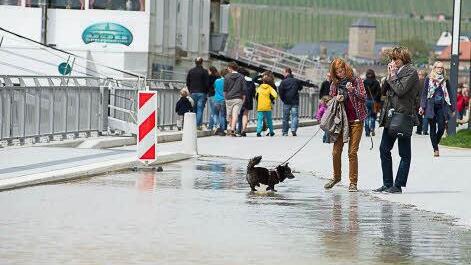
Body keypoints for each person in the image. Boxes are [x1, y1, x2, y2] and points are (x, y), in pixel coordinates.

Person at [374, 47, 420, 194]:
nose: (393, 62)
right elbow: (383, 91)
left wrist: (393, 74)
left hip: (403, 115)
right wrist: (389, 75)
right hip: (390, 115)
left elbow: (401, 90)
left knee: (404, 153)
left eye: (396, 59)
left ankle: (398, 185)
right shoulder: (395, 72)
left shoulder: (411, 71)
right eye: (392, 59)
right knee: (384, 149)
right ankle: (387, 183)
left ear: (404, 59)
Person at [324, 58, 367, 192]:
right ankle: (336, 177)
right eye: (337, 72)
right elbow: (328, 102)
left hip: (356, 121)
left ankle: (353, 183)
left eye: (341, 70)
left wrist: (352, 90)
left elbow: (363, 97)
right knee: (336, 151)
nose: (340, 73)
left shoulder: (356, 80)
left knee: (352, 152)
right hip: (341, 122)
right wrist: (335, 99)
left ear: (345, 68)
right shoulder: (334, 84)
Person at [419, 61, 456, 157]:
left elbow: (450, 94)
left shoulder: (445, 80)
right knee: (432, 127)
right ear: (434, 68)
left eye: (441, 68)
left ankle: (435, 142)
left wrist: (452, 108)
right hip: (431, 106)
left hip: (441, 106)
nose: (440, 69)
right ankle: (435, 149)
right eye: (438, 67)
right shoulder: (428, 79)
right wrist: (422, 106)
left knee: (441, 127)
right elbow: (424, 94)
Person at [279, 67, 315, 136]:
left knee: (285, 117)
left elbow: (280, 91)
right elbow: (300, 88)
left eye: (284, 72)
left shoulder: (283, 82)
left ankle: (285, 132)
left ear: (286, 72)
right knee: (294, 116)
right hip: (295, 101)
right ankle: (293, 129)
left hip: (286, 101)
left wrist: (283, 99)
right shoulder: (296, 81)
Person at [186, 57, 209, 130]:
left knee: (194, 109)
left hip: (193, 92)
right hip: (202, 92)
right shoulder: (204, 71)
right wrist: (206, 91)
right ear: (202, 62)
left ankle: (193, 125)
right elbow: (207, 83)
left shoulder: (191, 71)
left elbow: (188, 82)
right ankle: (198, 125)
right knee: (200, 109)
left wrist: (190, 90)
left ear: (195, 62)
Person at [224, 62, 246, 137]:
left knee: (229, 115)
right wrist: (244, 99)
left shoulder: (226, 77)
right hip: (238, 98)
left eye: (228, 68)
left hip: (229, 98)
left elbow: (225, 89)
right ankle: (233, 129)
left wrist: (225, 98)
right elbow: (244, 90)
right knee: (235, 114)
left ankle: (231, 128)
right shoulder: (241, 77)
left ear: (230, 68)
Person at [236, 68, 256, 137]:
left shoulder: (238, 79)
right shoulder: (250, 80)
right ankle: (243, 129)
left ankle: (238, 130)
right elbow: (253, 92)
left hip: (239, 98)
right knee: (245, 115)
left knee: (239, 115)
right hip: (248, 99)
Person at [363, 69, 381, 137]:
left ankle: (367, 132)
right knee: (373, 116)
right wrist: (377, 100)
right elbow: (379, 92)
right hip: (374, 101)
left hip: (366, 101)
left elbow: (362, 93)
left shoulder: (364, 82)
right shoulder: (376, 82)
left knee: (366, 117)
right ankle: (372, 128)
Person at [213, 69, 228, 136]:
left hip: (216, 99)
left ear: (221, 74)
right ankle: (222, 130)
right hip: (223, 100)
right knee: (222, 115)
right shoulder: (226, 81)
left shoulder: (216, 81)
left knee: (215, 114)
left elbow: (215, 88)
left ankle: (217, 125)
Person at [207, 66, 220, 132]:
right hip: (218, 96)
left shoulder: (209, 77)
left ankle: (215, 125)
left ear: (210, 71)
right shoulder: (218, 77)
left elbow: (207, 86)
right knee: (216, 112)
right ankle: (211, 126)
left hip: (211, 95)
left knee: (213, 111)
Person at [415, 70, 427, 135]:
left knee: (419, 116)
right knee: (426, 116)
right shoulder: (428, 82)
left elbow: (415, 93)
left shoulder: (417, 82)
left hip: (418, 101)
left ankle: (419, 130)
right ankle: (425, 130)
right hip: (426, 101)